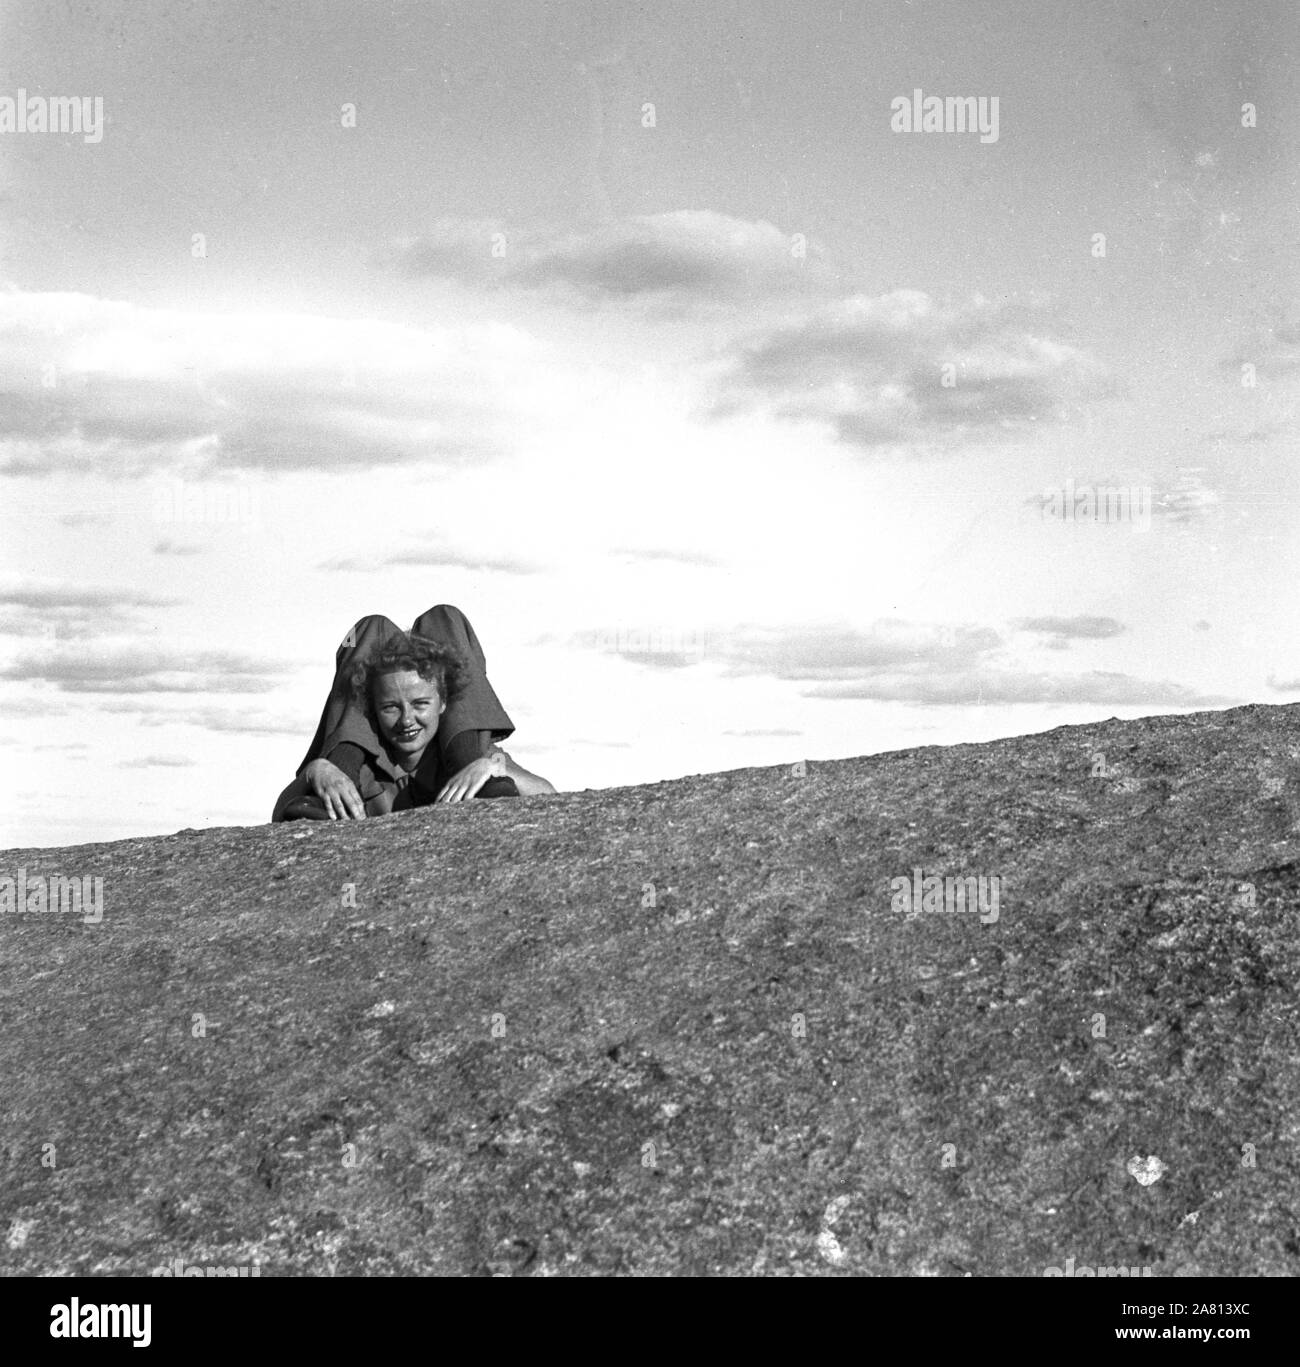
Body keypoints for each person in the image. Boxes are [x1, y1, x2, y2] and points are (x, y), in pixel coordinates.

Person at [272, 603, 554, 821]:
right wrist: (316, 771)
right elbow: (281, 816)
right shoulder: (371, 763)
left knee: (446, 617)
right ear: (373, 708)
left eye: (420, 704)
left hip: (466, 757)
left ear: (444, 704)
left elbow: (549, 796)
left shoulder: (483, 760)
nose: (407, 720)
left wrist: (493, 766)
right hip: (354, 772)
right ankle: (344, 759)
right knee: (368, 629)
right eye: (390, 707)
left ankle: (462, 757)